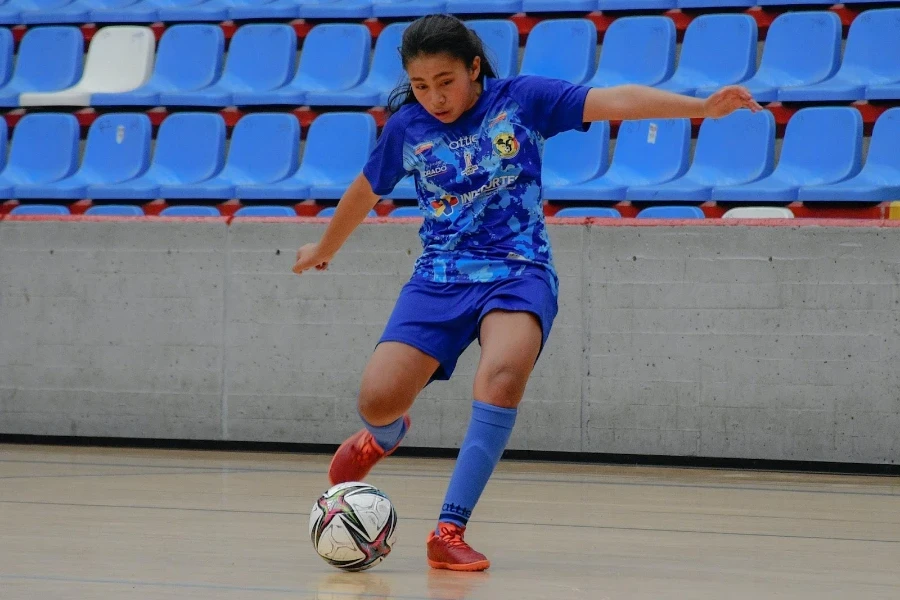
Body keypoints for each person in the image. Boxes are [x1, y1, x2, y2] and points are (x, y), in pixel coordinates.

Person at [293, 14, 762, 572]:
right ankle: (382, 437)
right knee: (378, 398)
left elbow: (615, 101)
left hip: (520, 270)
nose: (435, 97)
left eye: (446, 81)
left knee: (503, 373)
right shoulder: (408, 128)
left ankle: (449, 529)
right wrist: (325, 247)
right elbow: (366, 189)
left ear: (473, 67)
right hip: (440, 276)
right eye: (421, 86)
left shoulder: (523, 100)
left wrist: (700, 108)